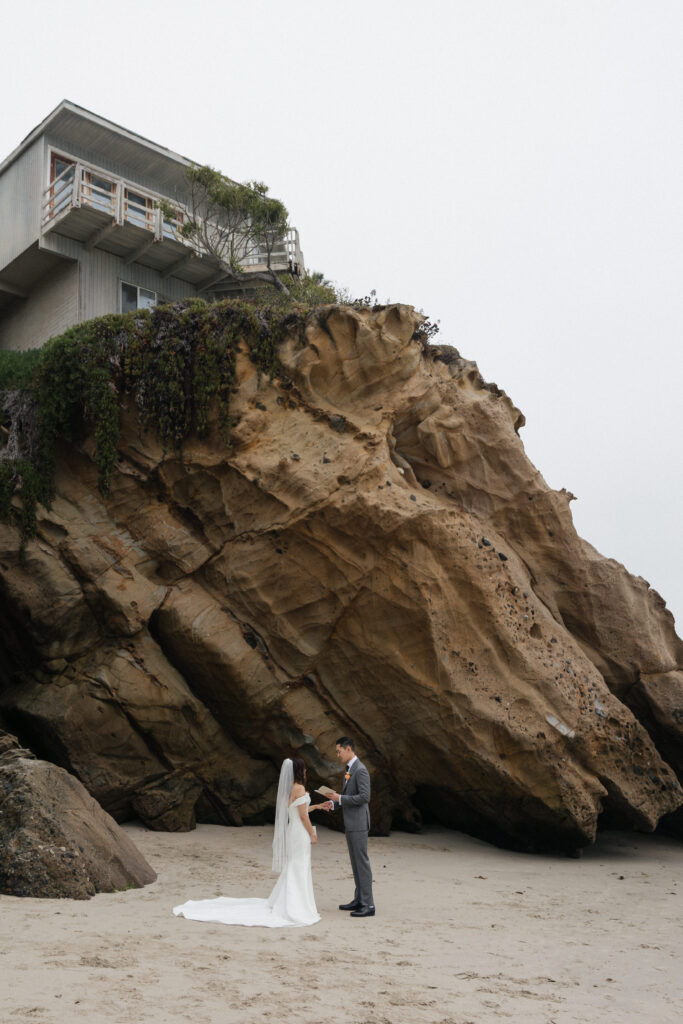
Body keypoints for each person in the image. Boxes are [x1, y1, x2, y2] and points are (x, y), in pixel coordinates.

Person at [173, 757, 326, 928]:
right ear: (299, 771)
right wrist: (312, 834)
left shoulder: (289, 788)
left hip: (293, 830)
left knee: (295, 864)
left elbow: (297, 811)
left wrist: (317, 807)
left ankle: (288, 901)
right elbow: (303, 816)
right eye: (304, 769)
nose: (305, 771)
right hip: (300, 831)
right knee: (299, 865)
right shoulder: (300, 788)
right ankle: (296, 905)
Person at [326, 736, 375, 918]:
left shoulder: (360, 770)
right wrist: (333, 804)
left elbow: (364, 797)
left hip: (359, 823)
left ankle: (368, 905)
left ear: (348, 749)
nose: (337, 755)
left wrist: (340, 798)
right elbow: (349, 796)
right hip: (351, 823)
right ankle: (359, 899)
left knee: (362, 863)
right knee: (355, 863)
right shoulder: (349, 769)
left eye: (339, 751)